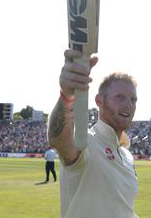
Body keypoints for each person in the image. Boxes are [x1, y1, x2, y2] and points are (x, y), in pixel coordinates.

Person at [48, 49, 139, 218]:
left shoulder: (126, 154)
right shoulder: (86, 140)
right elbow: (59, 140)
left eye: (133, 99)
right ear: (99, 101)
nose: (129, 105)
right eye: (120, 97)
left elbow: (123, 208)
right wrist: (67, 95)